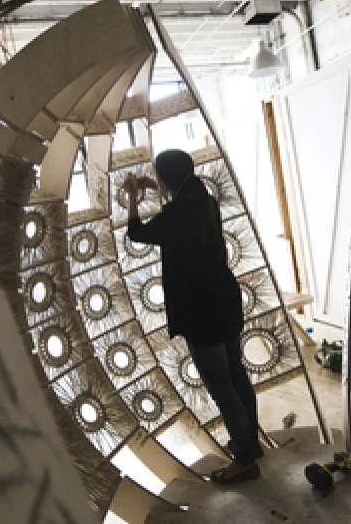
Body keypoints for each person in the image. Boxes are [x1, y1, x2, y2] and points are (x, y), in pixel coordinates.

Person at [123, 149, 262, 484]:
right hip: (225, 301)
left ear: (168, 179)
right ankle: (251, 444)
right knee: (236, 374)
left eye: (159, 177)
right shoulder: (205, 200)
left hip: (202, 313)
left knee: (222, 388)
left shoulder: (175, 216)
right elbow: (180, 209)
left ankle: (244, 461)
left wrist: (132, 197)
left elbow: (137, 232)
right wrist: (156, 187)